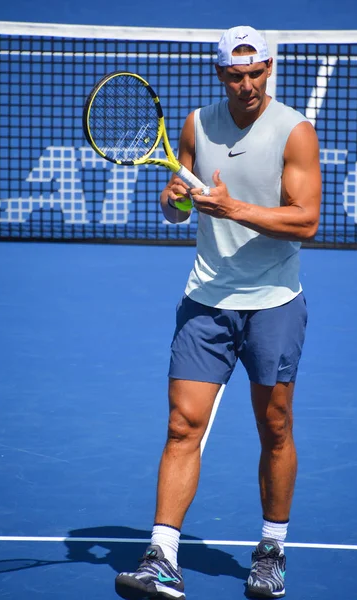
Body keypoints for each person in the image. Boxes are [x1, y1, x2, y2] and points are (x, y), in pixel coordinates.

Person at [115, 24, 322, 600]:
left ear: (270, 70)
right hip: (206, 301)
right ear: (220, 74)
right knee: (183, 425)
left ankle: (271, 550)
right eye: (237, 74)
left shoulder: (294, 133)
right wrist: (176, 200)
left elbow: (305, 220)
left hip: (274, 304)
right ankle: (162, 558)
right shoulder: (195, 125)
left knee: (274, 426)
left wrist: (231, 206)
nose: (249, 84)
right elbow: (178, 208)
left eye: (257, 73)